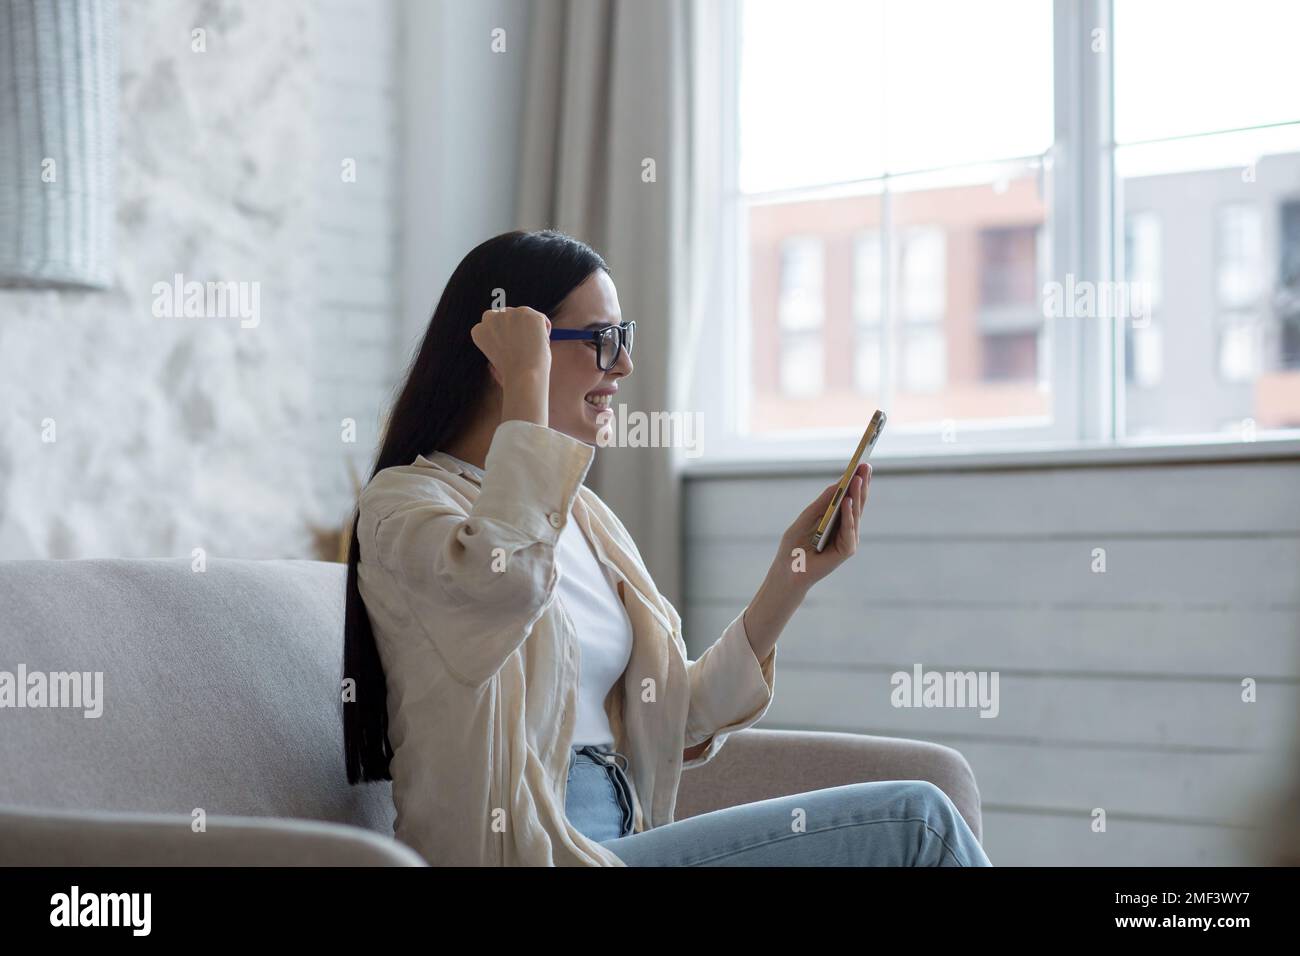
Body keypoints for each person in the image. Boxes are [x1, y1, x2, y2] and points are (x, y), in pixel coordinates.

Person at [342, 229, 991, 867]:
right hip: (538, 856)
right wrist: (527, 391)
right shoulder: (404, 509)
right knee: (919, 823)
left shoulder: (584, 519)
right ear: (510, 356)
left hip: (625, 846)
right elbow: (502, 583)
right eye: (601, 341)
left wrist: (791, 575)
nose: (623, 365)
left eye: (623, 339)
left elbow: (673, 722)